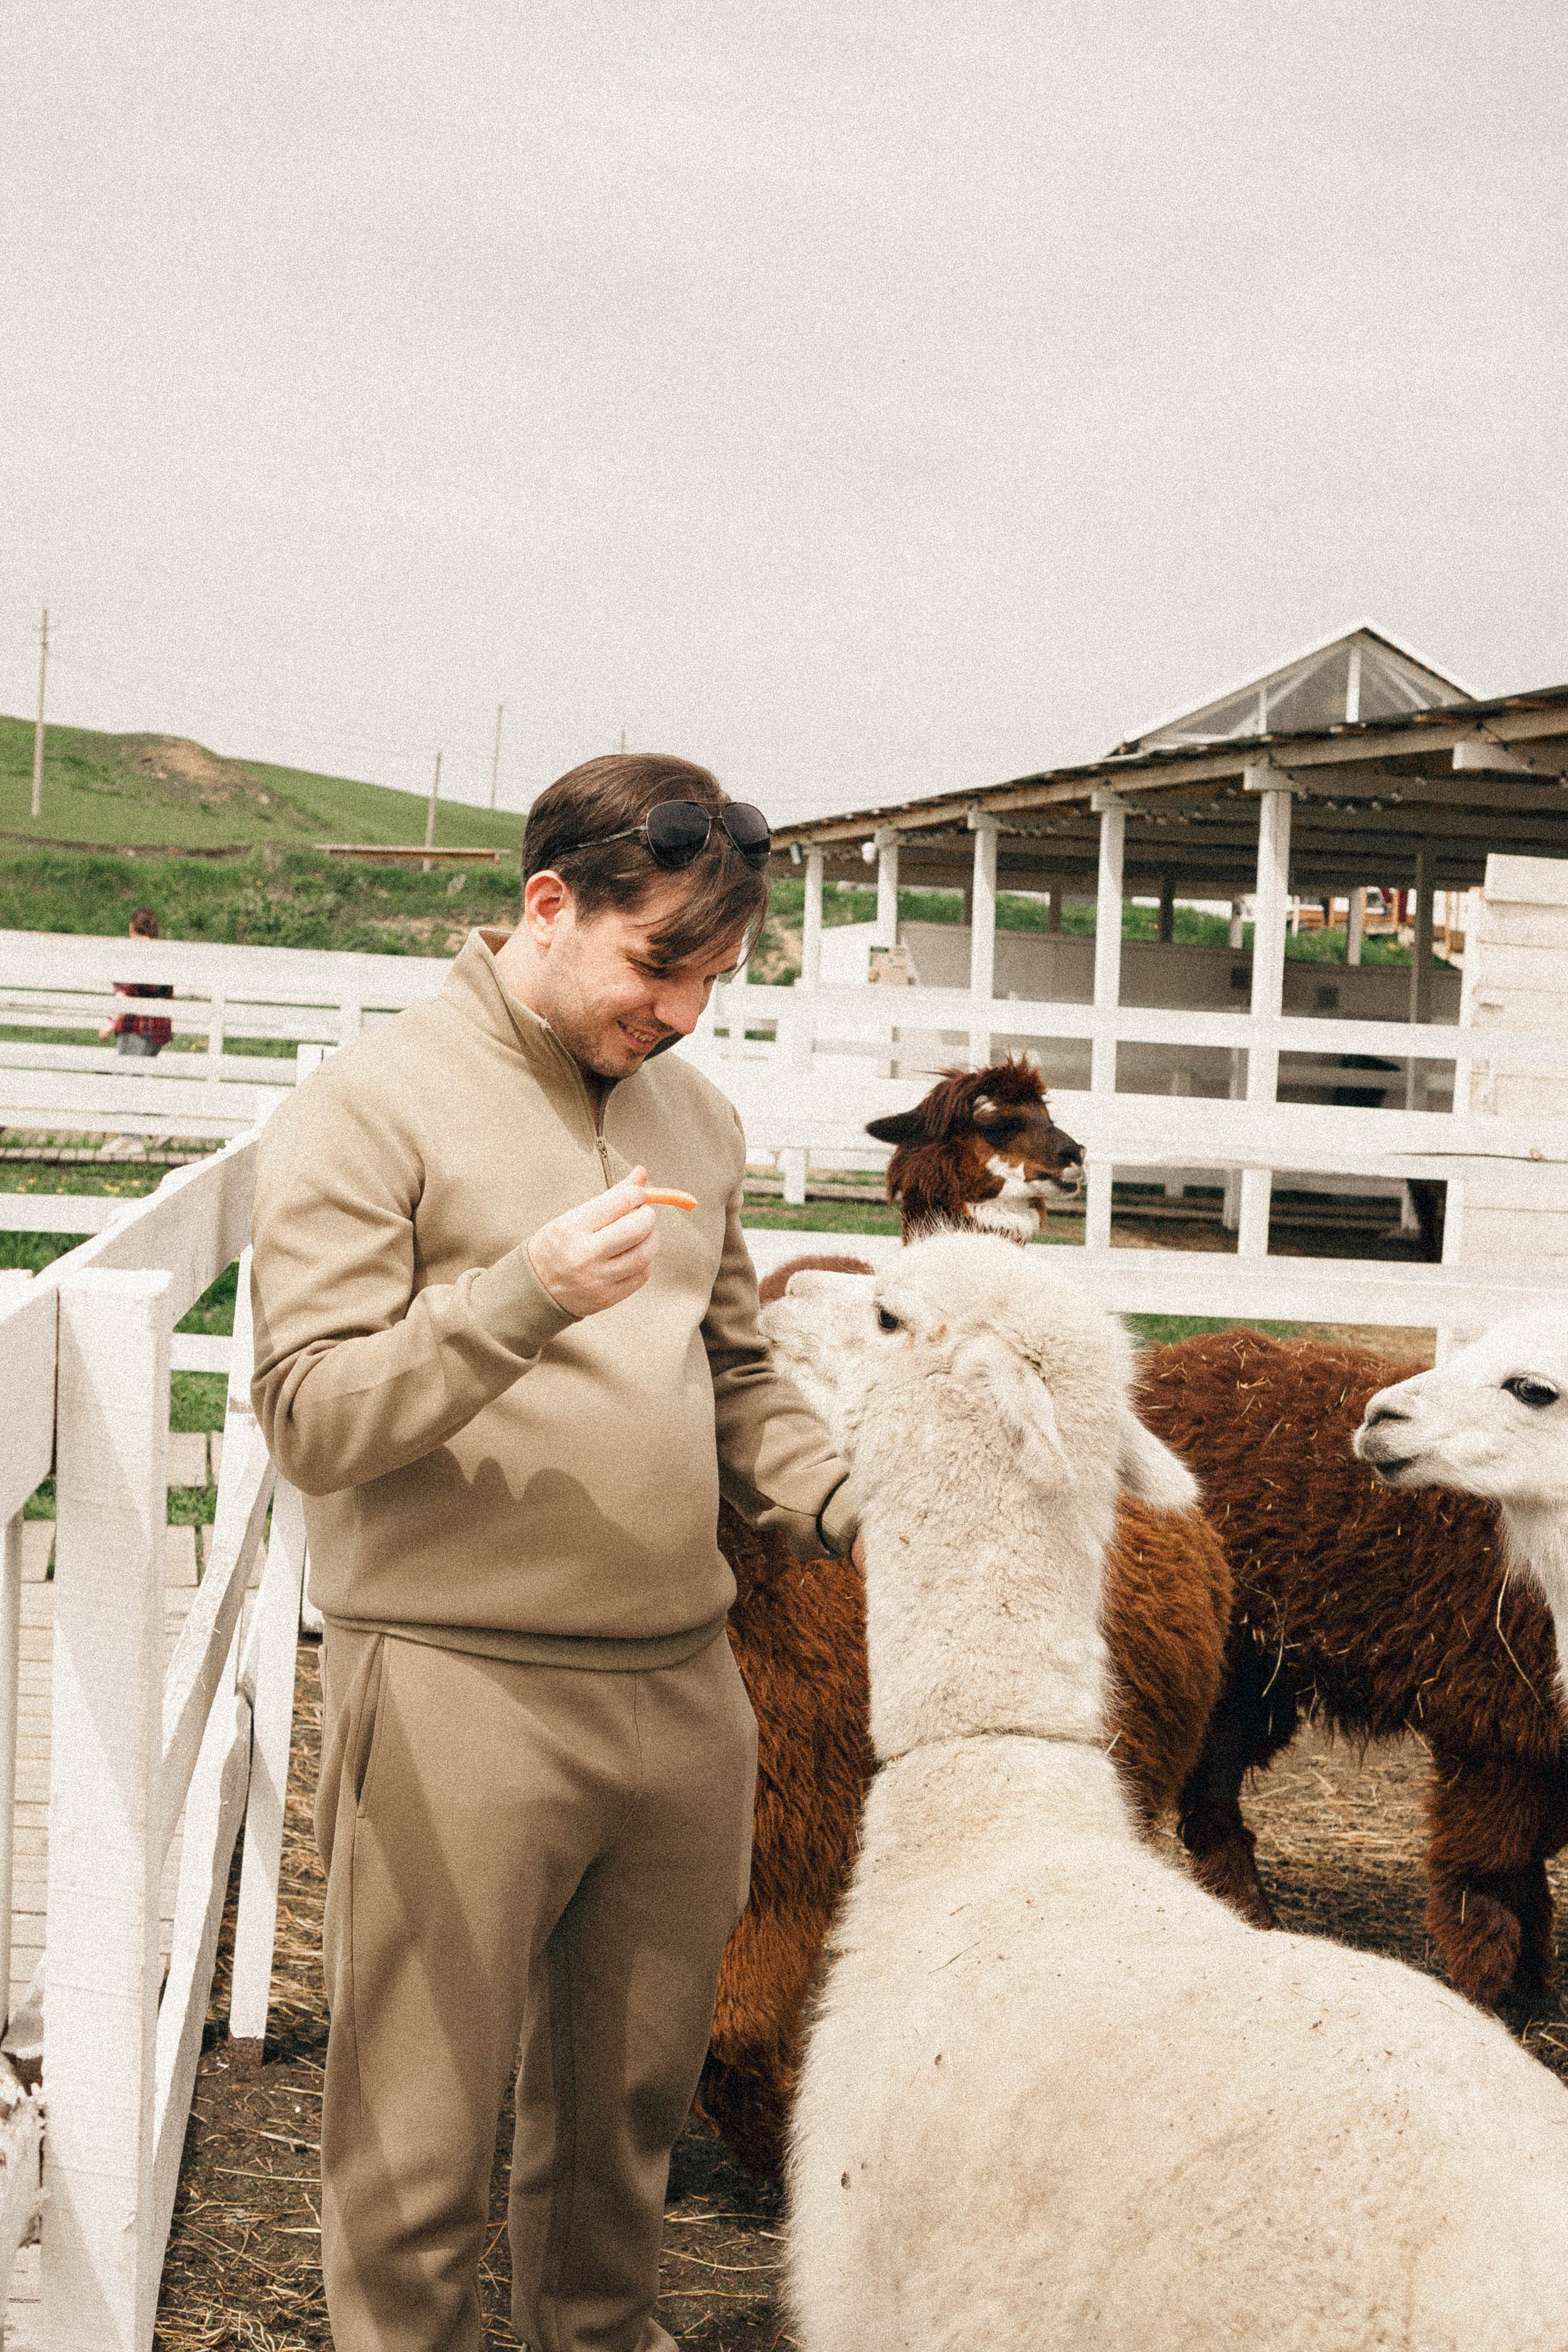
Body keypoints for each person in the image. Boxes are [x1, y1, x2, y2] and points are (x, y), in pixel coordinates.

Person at [248, 752, 862, 2352]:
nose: (683, 1012)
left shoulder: (699, 1121)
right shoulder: (366, 1107)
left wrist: (847, 1496)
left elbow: (735, 1375)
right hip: (460, 1685)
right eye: (662, 962)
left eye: (715, 980)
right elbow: (311, 1416)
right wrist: (513, 1300)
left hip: (681, 1687)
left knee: (625, 2137)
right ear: (547, 904)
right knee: (419, 2147)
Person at [99, 905, 174, 1055]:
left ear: (132, 927)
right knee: (138, 1076)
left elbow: (125, 994)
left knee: (127, 1075)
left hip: (136, 1028)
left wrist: (111, 1023)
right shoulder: (163, 956)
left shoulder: (135, 955)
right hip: (158, 1031)